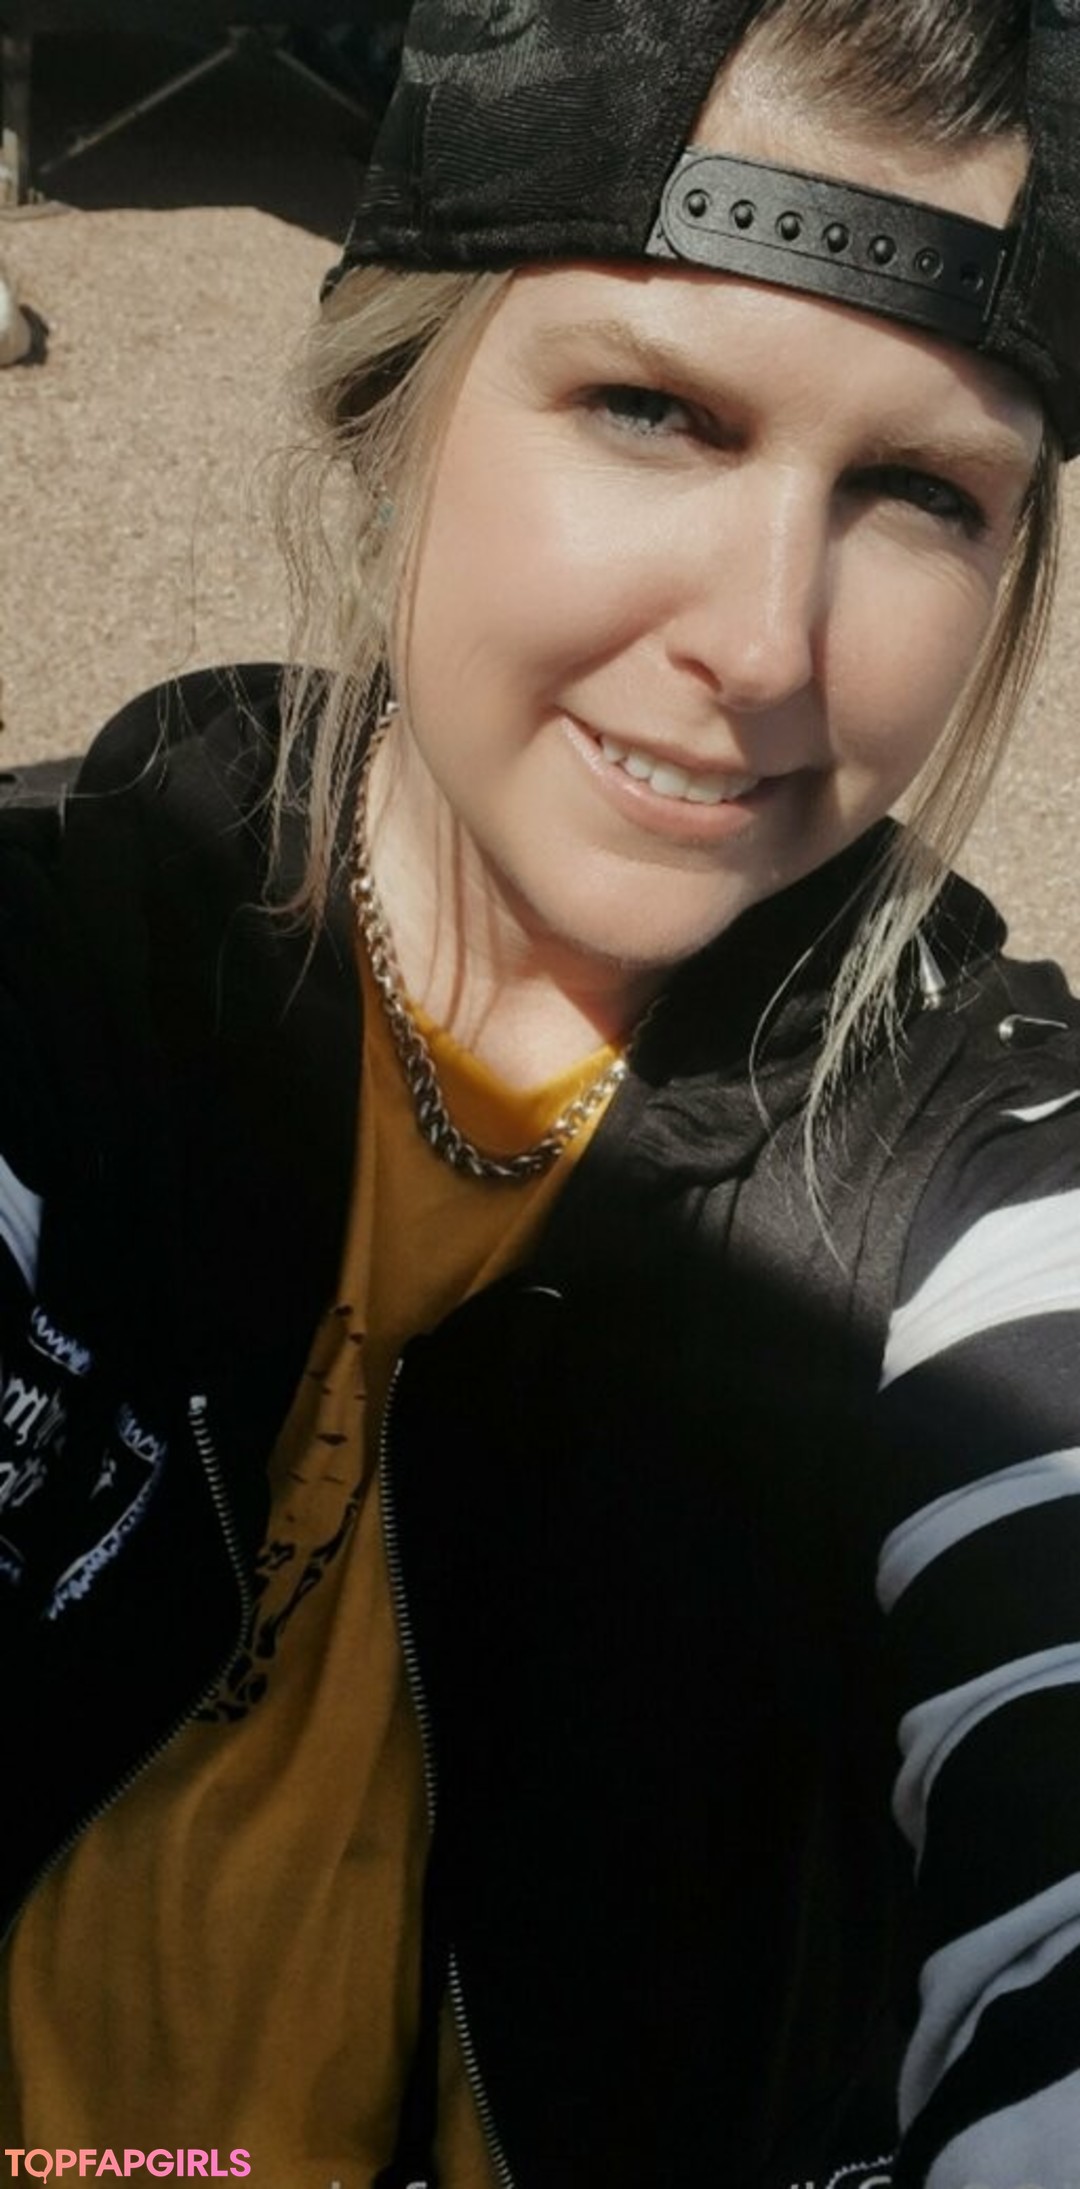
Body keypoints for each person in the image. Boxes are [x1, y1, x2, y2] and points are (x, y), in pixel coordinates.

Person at [1, 1, 1079, 2184]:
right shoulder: (56, 959)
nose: (765, 647)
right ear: (386, 406)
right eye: (655, 409)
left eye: (917, 492)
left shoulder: (967, 1195)